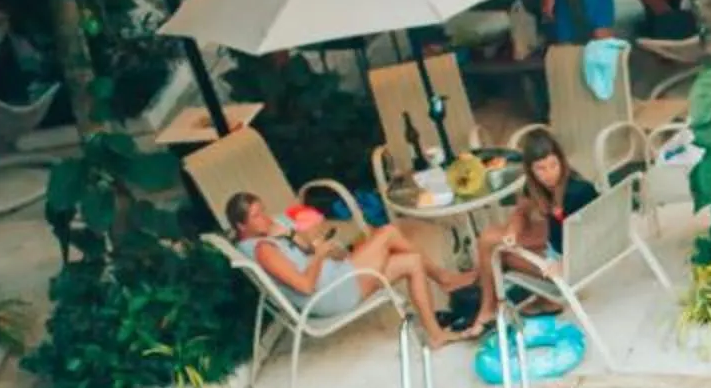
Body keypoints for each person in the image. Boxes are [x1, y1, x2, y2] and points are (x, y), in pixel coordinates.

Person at [225, 192, 475, 346]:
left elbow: (306, 248)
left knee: (412, 261)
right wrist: (320, 256)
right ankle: (444, 278)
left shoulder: (269, 233)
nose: (266, 218)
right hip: (329, 293)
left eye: (263, 211)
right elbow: (305, 286)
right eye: (256, 216)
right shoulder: (263, 250)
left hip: (337, 277)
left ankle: (435, 334)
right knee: (388, 233)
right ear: (241, 226)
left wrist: (289, 234)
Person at [475, 127, 599, 292]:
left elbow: (594, 233)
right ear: (531, 170)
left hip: (578, 262)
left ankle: (483, 295)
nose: (549, 173)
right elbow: (521, 211)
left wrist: (564, 264)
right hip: (556, 248)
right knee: (496, 248)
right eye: (541, 168)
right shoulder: (535, 187)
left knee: (500, 255)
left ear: (561, 161)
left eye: (553, 165)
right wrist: (512, 232)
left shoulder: (579, 191)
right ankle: (481, 291)